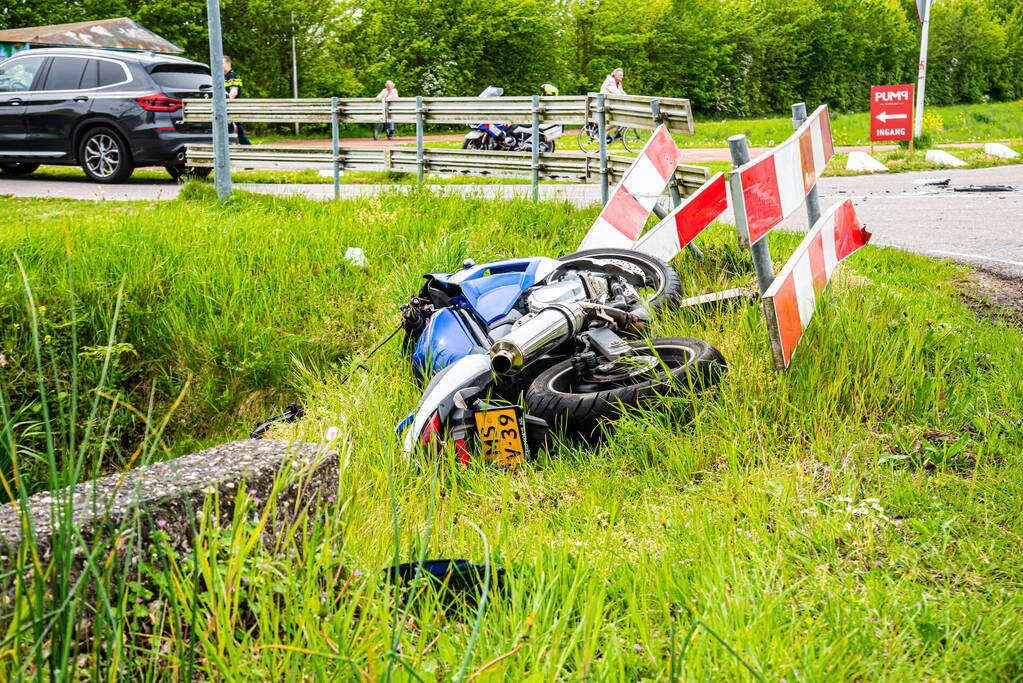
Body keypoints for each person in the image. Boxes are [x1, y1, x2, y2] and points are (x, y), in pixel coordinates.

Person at [223, 55, 251, 145]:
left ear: (228, 63)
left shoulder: (233, 76)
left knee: (239, 133)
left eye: (222, 64)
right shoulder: (222, 77)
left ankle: (250, 151)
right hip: (226, 108)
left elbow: (233, 93)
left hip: (233, 107)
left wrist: (222, 104)